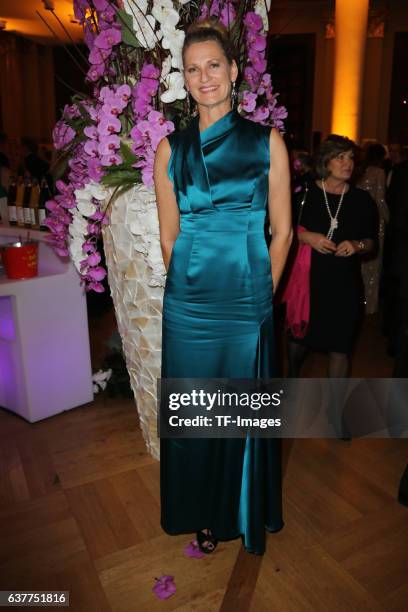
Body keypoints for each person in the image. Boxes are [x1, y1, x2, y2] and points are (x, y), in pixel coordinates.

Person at [153, 19, 292, 555]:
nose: (204, 76)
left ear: (234, 71)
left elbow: (281, 234)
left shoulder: (266, 142)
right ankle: (202, 513)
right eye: (193, 68)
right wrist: (190, 289)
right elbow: (170, 238)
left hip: (246, 302)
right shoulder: (170, 150)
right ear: (183, 79)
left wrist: (260, 295)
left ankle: (241, 508)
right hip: (189, 307)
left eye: (214, 65)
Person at [286, 135, 379, 378]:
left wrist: (356, 245)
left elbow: (371, 242)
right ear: (326, 162)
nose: (347, 163)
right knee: (299, 342)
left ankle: (335, 412)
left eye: (350, 157)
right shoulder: (304, 193)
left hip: (344, 285)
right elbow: (279, 230)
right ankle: (292, 383)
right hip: (308, 282)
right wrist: (307, 237)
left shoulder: (362, 200)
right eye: (340, 157)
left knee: (341, 349)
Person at [356, 143, 389, 314]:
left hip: (360, 221)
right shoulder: (379, 172)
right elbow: (381, 200)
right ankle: (369, 305)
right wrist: (389, 220)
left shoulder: (360, 171)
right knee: (374, 266)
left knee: (361, 263)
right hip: (376, 222)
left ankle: (357, 301)